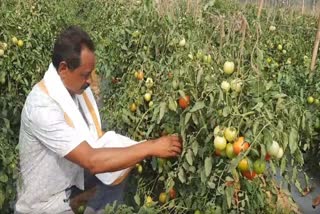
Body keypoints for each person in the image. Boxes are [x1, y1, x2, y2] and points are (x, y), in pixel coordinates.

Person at [15, 26, 182, 214]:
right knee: (111, 167)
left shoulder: (72, 93)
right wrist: (150, 146)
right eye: (85, 74)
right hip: (43, 207)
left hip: (67, 192)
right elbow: (91, 160)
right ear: (63, 68)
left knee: (117, 172)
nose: (90, 81)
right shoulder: (42, 107)